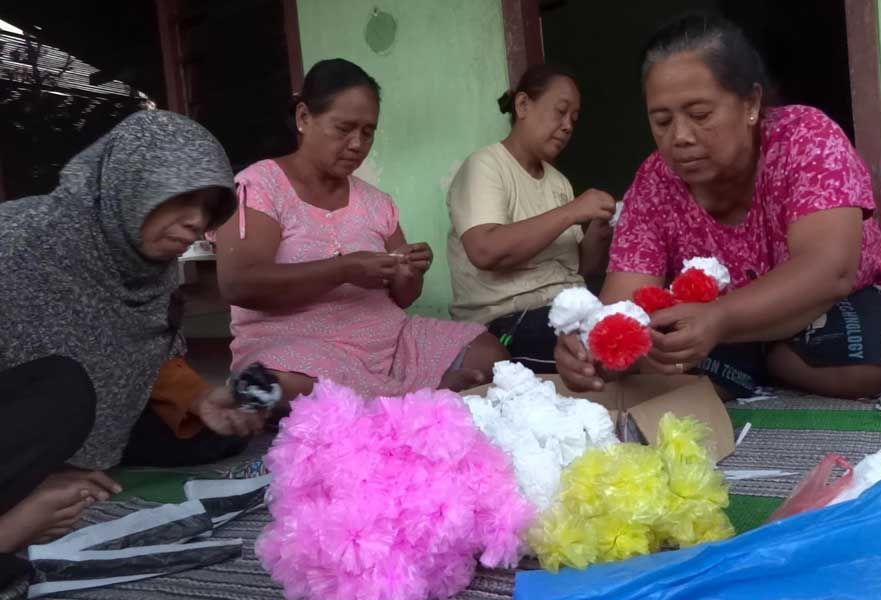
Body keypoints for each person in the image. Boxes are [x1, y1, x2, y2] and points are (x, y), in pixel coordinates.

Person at [555, 14, 881, 400]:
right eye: (661, 121)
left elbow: (831, 268)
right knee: (657, 356)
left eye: (700, 115)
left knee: (864, 369)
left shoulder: (806, 139)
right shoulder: (653, 183)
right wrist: (596, 342)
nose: (680, 137)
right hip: (714, 318)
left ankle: (757, 357)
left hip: (833, 299)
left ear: (751, 104)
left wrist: (722, 318)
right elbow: (624, 300)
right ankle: (753, 351)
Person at [0, 110, 267, 587]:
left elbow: (141, 354)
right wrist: (31, 470)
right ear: (131, 181)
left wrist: (200, 399)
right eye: (181, 197)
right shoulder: (21, 241)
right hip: (29, 409)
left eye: (208, 208)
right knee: (64, 387)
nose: (197, 222)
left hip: (68, 415)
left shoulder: (149, 269)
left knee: (218, 433)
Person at [213, 59, 507, 405]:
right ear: (304, 117)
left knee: (490, 355)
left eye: (368, 132)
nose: (357, 144)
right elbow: (238, 283)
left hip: (388, 343)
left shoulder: (376, 202)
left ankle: (401, 399)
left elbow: (403, 298)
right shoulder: (261, 186)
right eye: (344, 128)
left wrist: (409, 271)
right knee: (278, 384)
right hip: (298, 348)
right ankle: (421, 397)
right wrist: (343, 269)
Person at [447, 65, 616, 373]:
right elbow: (485, 250)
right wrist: (572, 211)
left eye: (574, 119)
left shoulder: (558, 182)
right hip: (507, 319)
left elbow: (581, 268)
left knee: (637, 324)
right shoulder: (486, 166)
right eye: (560, 112)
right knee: (605, 349)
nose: (567, 126)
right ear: (523, 105)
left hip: (567, 306)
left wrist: (600, 228)